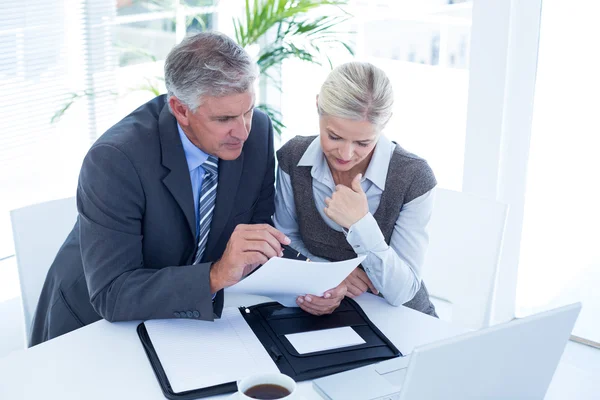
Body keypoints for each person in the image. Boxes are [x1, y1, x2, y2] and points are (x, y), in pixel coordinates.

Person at [30, 32, 290, 345]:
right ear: (180, 109)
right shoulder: (115, 159)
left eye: (248, 110)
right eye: (225, 118)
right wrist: (214, 276)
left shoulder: (258, 131)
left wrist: (312, 285)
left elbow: (258, 236)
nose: (243, 130)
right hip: (94, 328)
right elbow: (113, 293)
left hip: (183, 321)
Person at [274, 61, 438, 317]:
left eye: (363, 142)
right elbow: (285, 241)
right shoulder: (293, 158)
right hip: (321, 309)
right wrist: (331, 274)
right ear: (318, 106)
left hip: (401, 318)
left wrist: (360, 224)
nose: (346, 154)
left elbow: (402, 292)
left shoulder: (414, 177)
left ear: (384, 124)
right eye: (335, 137)